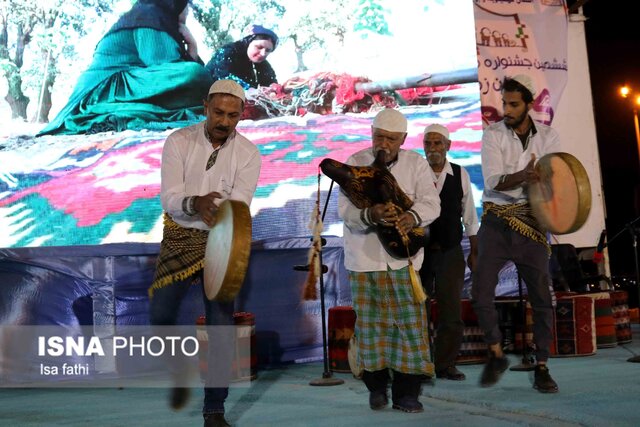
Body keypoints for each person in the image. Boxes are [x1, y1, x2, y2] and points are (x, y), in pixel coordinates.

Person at [148, 79, 261, 427]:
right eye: (218, 112)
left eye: (232, 115)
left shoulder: (249, 154)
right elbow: (169, 197)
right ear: (205, 107)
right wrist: (195, 203)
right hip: (181, 236)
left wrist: (219, 213)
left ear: (241, 115)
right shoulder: (178, 141)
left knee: (221, 326)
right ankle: (179, 369)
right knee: (161, 314)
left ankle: (215, 408)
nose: (224, 121)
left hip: (224, 240)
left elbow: (239, 204)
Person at [339, 108, 441, 413]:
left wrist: (412, 217)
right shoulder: (355, 164)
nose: (383, 143)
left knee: (409, 328)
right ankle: (376, 388)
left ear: (403, 140)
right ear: (371, 133)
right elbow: (343, 212)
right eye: (378, 136)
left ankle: (408, 394)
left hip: (404, 263)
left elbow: (431, 202)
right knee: (371, 329)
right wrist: (369, 215)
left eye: (391, 139)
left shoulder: (415, 164)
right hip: (364, 261)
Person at [472, 74, 559, 393]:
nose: (506, 110)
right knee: (481, 291)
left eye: (513, 104)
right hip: (496, 222)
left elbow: (555, 181)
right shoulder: (492, 135)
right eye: (504, 103)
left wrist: (543, 181)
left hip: (532, 224)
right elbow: (494, 181)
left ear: (529, 104)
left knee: (541, 299)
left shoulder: (549, 137)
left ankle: (542, 366)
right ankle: (495, 351)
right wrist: (525, 176)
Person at [38, 0, 212, 136]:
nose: (187, 12)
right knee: (195, 74)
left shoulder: (149, 15)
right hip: (106, 89)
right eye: (187, 7)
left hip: (125, 83)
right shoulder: (149, 16)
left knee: (198, 78)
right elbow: (166, 67)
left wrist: (193, 48)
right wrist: (193, 52)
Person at [420, 123, 479, 381]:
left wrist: (475, 251)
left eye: (437, 143)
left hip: (450, 252)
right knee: (417, 310)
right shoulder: (415, 172)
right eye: (428, 143)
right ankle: (418, 366)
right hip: (417, 254)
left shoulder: (460, 174)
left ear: (448, 146)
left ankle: (445, 364)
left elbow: (470, 216)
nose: (433, 148)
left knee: (451, 312)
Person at [205, 25, 278, 89]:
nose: (263, 53)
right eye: (259, 47)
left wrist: (280, 89)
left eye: (268, 50)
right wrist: (249, 89)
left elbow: (270, 83)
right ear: (248, 42)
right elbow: (222, 76)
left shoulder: (263, 65)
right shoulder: (228, 52)